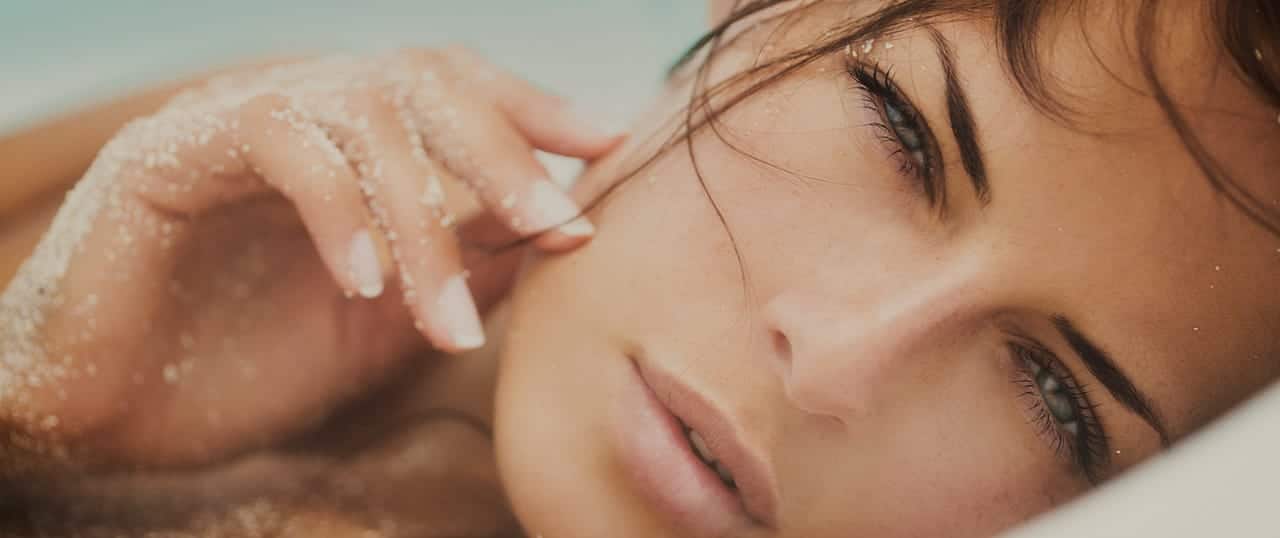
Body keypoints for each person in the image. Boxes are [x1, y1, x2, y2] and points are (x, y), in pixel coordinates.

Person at [1, 1, 1277, 536]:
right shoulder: (233, 170)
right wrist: (43, 416)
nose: (836, 358)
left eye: (1055, 395)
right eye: (900, 129)